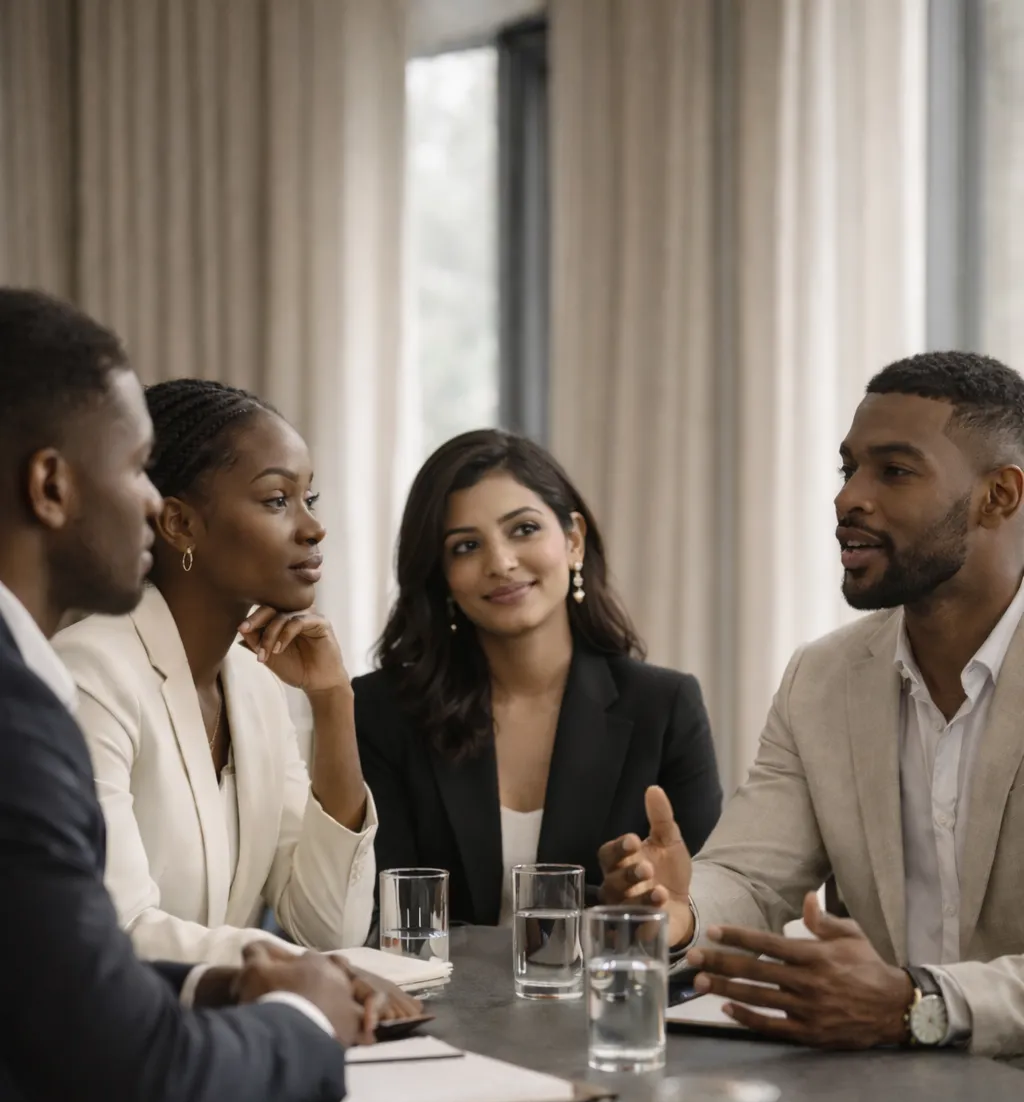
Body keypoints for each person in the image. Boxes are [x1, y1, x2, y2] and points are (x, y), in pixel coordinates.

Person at [0, 287, 399, 1102]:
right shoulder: (49, 687)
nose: (146, 498)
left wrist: (233, 973)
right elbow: (133, 1079)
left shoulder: (258, 686)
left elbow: (325, 922)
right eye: (135, 472)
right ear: (51, 485)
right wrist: (299, 1016)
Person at [600, 351, 1024, 1057]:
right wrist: (677, 912)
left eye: (893, 470)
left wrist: (920, 1006)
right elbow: (749, 876)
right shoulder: (824, 678)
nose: (848, 498)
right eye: (847, 469)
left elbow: (911, 1008)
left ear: (999, 496)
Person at [54, 378, 376, 965]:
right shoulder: (89, 674)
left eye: (311, 498)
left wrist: (333, 702)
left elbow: (330, 926)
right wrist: (298, 971)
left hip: (215, 1030)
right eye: (278, 500)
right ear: (179, 525)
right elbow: (119, 928)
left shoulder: (254, 684)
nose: (312, 527)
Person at [354, 429, 722, 924]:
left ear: (573, 541)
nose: (501, 563)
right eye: (465, 546)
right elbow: (381, 918)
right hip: (434, 1001)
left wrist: (632, 912)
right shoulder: (381, 711)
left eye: (523, 529)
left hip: (606, 996)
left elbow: (701, 909)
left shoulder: (665, 707)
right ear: (440, 575)